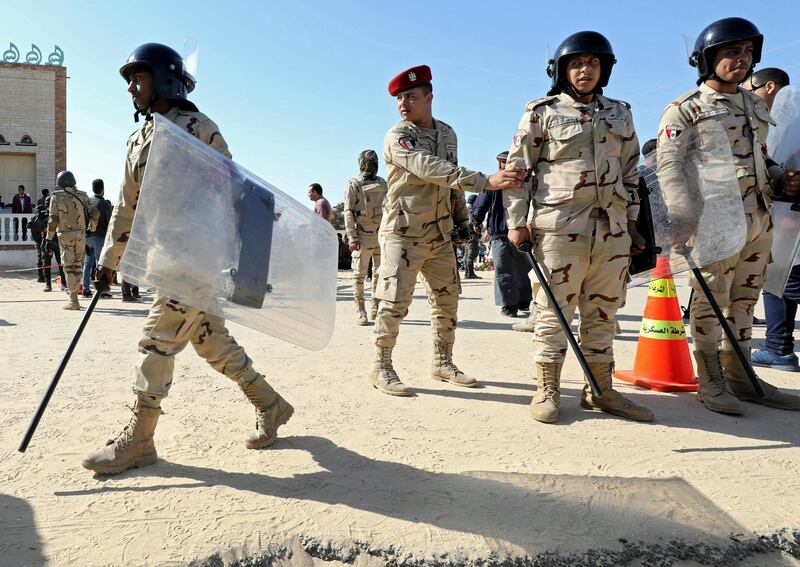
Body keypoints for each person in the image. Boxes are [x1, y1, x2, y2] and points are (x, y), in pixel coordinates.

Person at [82, 43, 294, 475]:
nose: (130, 88)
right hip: (165, 258)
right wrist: (109, 261)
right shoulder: (138, 138)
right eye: (128, 80)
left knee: (156, 341)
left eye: (137, 78)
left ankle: (140, 441)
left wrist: (231, 256)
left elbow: (233, 191)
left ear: (163, 79)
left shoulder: (197, 127)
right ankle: (271, 405)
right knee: (211, 342)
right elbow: (127, 206)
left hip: (196, 258)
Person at [504, 31, 653, 424]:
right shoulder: (542, 112)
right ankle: (547, 389)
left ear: (604, 69)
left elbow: (632, 173)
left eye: (592, 63)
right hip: (559, 229)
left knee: (603, 312)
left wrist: (633, 224)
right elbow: (518, 171)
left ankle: (601, 390)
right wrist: (517, 223)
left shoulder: (621, 112)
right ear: (562, 70)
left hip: (612, 230)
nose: (584, 69)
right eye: (576, 63)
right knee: (553, 312)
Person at [658, 18, 800, 414]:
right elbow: (670, 168)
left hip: (757, 218)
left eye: (747, 53)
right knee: (711, 302)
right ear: (707, 59)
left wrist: (780, 178)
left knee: (744, 302)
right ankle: (711, 382)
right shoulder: (686, 109)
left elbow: (760, 157)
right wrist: (682, 217)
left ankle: (742, 377)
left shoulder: (754, 103)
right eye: (731, 53)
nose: (742, 59)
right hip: (713, 223)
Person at [370, 64, 524, 396]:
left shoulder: (448, 133)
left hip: (439, 235)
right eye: (399, 99)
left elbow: (451, 181)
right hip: (403, 232)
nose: (403, 104)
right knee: (394, 302)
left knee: (447, 300)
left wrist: (463, 221)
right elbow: (429, 168)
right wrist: (485, 181)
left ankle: (442, 362)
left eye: (410, 97)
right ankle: (381, 367)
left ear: (429, 97)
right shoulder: (399, 136)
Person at [741, 68, 798, 370]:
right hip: (785, 214)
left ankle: (778, 348)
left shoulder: (789, 119)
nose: (746, 92)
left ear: (770, 86)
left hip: (789, 216)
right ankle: (779, 347)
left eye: (750, 87)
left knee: (779, 280)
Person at [473, 151, 533, 318]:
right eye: (500, 163)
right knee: (504, 269)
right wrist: (475, 221)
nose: (502, 167)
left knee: (523, 268)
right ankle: (509, 305)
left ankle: (523, 301)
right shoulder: (493, 184)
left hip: (522, 231)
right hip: (499, 233)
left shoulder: (526, 183)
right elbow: (480, 206)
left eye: (506, 163)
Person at [344, 149, 388, 325]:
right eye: (370, 162)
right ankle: (360, 310)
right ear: (362, 163)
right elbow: (348, 212)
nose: (373, 165)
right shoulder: (353, 184)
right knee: (359, 275)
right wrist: (352, 237)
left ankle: (375, 307)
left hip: (381, 234)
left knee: (380, 274)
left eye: (375, 162)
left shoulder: (383, 183)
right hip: (362, 234)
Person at [44, 171, 99, 310]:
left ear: (60, 183)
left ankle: (73, 301)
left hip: (65, 236)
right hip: (81, 236)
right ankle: (75, 299)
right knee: (78, 266)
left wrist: (48, 239)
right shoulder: (83, 195)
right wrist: (91, 228)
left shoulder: (56, 197)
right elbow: (95, 213)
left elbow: (53, 220)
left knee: (69, 267)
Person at [82, 179, 112, 298]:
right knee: (101, 264)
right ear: (103, 189)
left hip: (88, 237)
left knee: (87, 264)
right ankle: (102, 290)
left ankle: (85, 289)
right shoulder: (105, 204)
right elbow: (110, 222)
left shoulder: (87, 202)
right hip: (101, 237)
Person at [462, 194, 482, 279]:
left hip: (467, 235)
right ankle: (470, 273)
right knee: (471, 253)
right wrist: (477, 226)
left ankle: (467, 273)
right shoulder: (472, 210)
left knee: (467, 254)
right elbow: (471, 222)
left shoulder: (466, 210)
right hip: (472, 235)